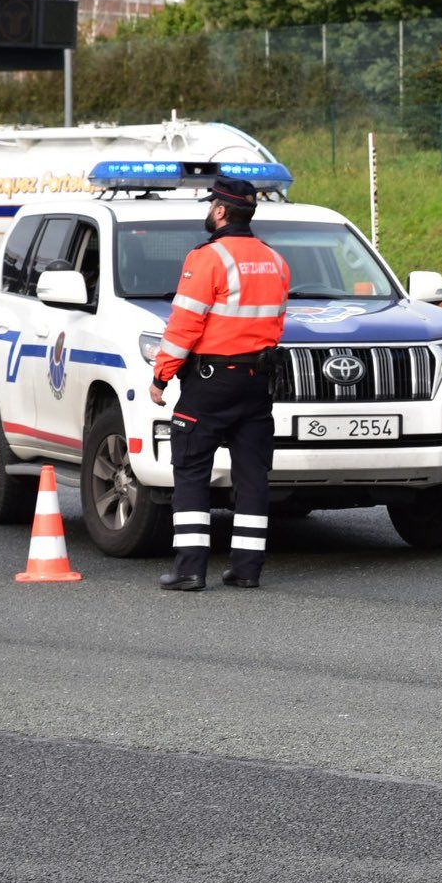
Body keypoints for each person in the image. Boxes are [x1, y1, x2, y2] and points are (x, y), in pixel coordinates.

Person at [150, 176, 290, 592]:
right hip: (257, 381)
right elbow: (276, 324)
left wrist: (163, 374)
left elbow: (184, 325)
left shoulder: (208, 257)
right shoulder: (275, 260)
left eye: (212, 203)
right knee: (252, 476)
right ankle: (246, 569)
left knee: (191, 467)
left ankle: (190, 568)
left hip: (211, 381)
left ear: (221, 211)